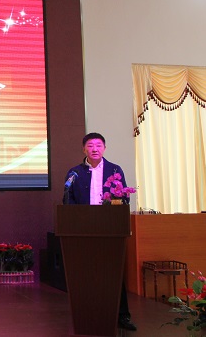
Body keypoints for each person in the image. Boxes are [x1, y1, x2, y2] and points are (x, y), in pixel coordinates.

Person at [63, 132, 137, 332]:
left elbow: (124, 199)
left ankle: (122, 315)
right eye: (90, 145)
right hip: (84, 230)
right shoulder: (74, 172)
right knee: (85, 274)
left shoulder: (115, 169)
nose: (94, 149)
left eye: (98, 145)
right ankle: (87, 314)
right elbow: (68, 201)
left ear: (104, 148)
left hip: (109, 229)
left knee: (114, 274)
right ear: (83, 149)